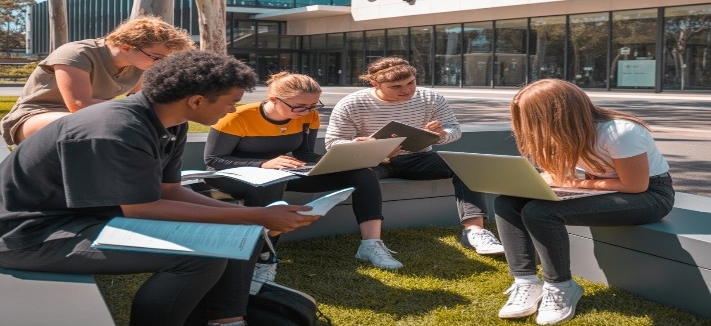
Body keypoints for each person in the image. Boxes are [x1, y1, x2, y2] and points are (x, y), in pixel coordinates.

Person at [0, 50, 320, 326]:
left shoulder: (168, 123)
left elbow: (170, 190)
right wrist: (256, 216)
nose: (232, 110)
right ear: (197, 100)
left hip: (86, 216)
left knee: (236, 233)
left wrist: (251, 217)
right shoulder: (114, 129)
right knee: (202, 258)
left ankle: (228, 320)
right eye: (230, 102)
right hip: (29, 234)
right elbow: (141, 208)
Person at [494, 79, 674, 325]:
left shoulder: (620, 131)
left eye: (533, 117)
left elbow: (635, 185)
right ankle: (525, 282)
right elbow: (560, 177)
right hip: (605, 190)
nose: (530, 125)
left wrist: (572, 185)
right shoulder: (562, 134)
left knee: (540, 212)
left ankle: (560, 286)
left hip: (650, 195)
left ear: (559, 113)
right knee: (507, 202)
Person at [204, 72, 403, 273]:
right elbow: (214, 160)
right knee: (271, 182)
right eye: (299, 106)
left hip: (284, 172)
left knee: (364, 174)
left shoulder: (309, 116)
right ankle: (263, 257)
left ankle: (370, 244)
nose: (307, 111)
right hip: (231, 176)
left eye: (313, 105)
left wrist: (338, 158)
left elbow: (304, 153)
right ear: (273, 99)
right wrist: (263, 164)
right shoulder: (237, 117)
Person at [325, 56, 504, 255]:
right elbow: (333, 143)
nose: (407, 90)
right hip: (373, 161)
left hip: (418, 158)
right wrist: (362, 145)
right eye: (396, 86)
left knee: (466, 165)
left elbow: (454, 129)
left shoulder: (430, 98)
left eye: (411, 82)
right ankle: (371, 243)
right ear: (375, 84)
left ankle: (475, 232)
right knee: (363, 176)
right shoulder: (353, 103)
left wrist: (441, 135)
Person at [0, 15, 195, 146]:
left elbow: (142, 102)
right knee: (93, 124)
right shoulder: (77, 54)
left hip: (90, 118)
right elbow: (79, 105)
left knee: (172, 123)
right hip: (33, 118)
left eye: (166, 59)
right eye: (156, 57)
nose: (161, 63)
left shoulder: (140, 65)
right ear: (126, 47)